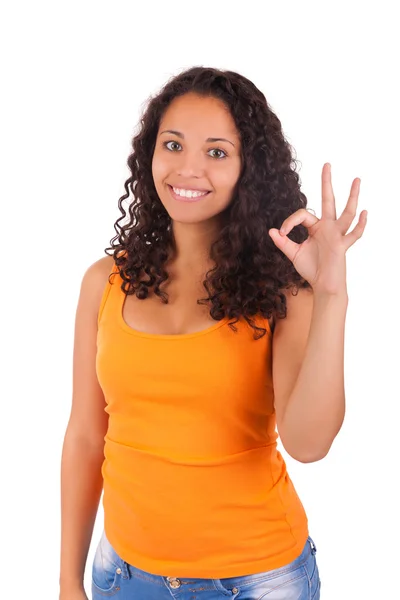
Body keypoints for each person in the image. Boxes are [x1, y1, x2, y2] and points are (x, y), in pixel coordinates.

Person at [59, 66, 367, 600]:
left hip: (258, 581)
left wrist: (331, 294)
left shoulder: (284, 290)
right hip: (122, 577)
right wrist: (68, 579)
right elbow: (86, 436)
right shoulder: (104, 282)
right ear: (148, 154)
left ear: (249, 169)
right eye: (172, 144)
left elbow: (309, 443)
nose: (188, 168)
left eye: (217, 152)